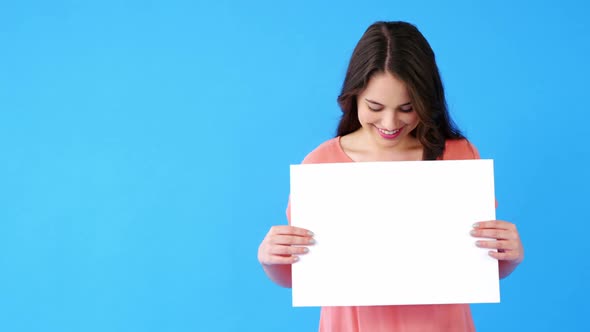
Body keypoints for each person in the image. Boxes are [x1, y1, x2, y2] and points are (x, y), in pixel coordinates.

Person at [257, 21, 524, 332]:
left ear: (427, 100)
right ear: (353, 96)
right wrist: (270, 258)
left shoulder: (459, 156)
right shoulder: (320, 165)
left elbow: (481, 265)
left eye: (407, 108)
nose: (390, 122)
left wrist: (510, 256)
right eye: (375, 106)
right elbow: (298, 276)